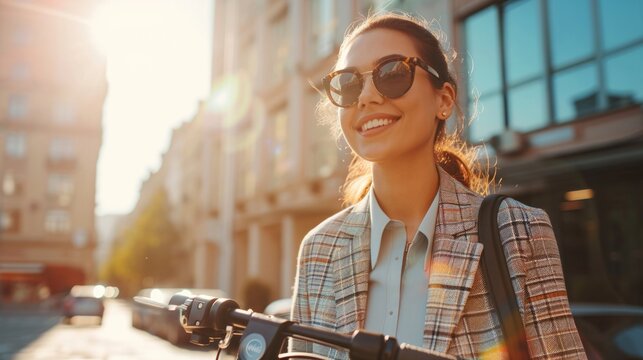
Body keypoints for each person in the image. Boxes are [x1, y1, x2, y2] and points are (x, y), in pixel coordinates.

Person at [289, 12, 587, 359]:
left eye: (392, 73)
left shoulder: (518, 232)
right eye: (349, 82)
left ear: (444, 100)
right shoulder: (318, 250)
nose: (366, 97)